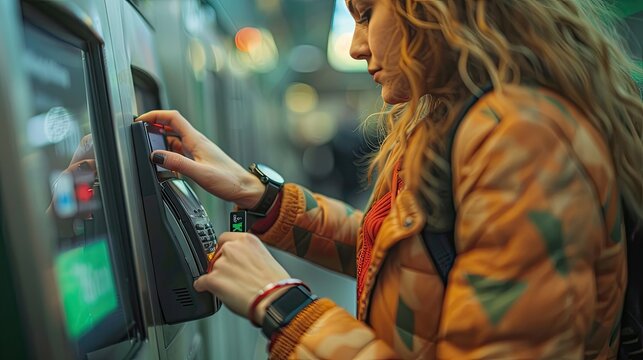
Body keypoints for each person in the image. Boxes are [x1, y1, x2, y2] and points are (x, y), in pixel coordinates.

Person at [137, 0, 643, 358]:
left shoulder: (524, 141)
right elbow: (399, 254)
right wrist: (263, 196)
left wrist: (284, 305)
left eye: (365, 14)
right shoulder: (459, 120)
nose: (357, 47)